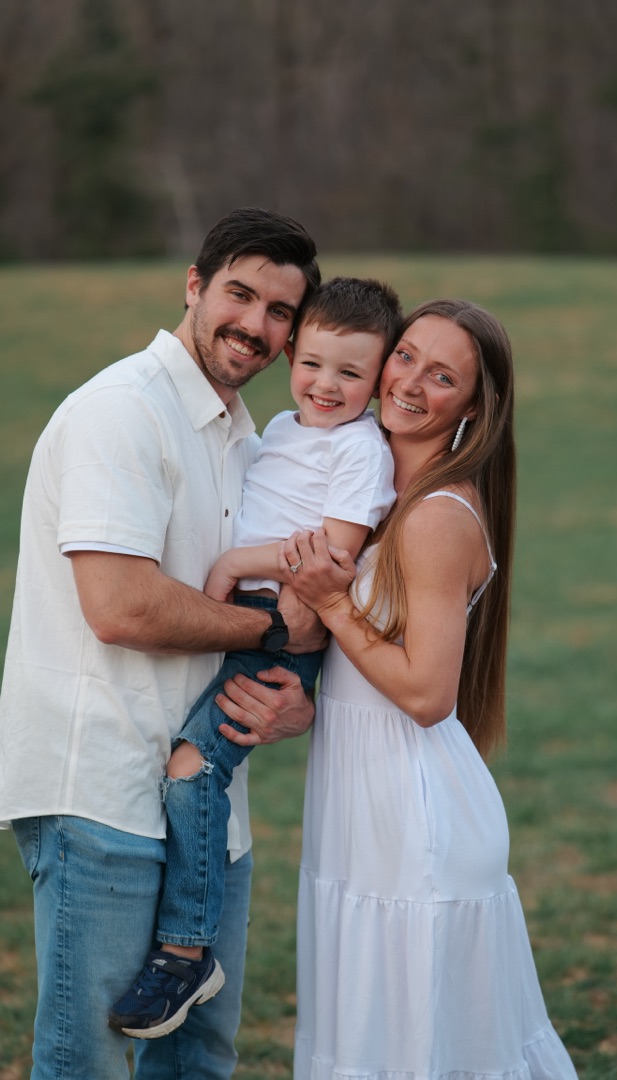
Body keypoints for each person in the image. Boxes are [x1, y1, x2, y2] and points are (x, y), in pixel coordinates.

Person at [0, 207, 327, 1080]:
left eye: (281, 313)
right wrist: (270, 627)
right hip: (100, 788)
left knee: (198, 1057)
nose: (255, 325)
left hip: (208, 805)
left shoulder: (250, 442)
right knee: (89, 1060)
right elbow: (120, 607)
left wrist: (296, 695)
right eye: (240, 294)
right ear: (193, 286)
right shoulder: (122, 412)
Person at [221, 299, 579, 1078]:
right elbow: (369, 671)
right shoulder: (376, 494)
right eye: (407, 355)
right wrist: (307, 707)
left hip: (415, 822)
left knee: (416, 1050)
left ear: (475, 407)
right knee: (368, 1040)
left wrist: (330, 602)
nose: (410, 382)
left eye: (443, 375)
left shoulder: (437, 518)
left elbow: (425, 695)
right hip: (359, 806)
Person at [108, 275, 400, 1040]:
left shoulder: (360, 449)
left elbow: (332, 556)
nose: (325, 385)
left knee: (193, 765)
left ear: (377, 381)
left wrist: (237, 568)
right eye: (312, 363)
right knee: (185, 766)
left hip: (280, 618)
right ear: (294, 354)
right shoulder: (278, 425)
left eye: (351, 373)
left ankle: (184, 951)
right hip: (251, 611)